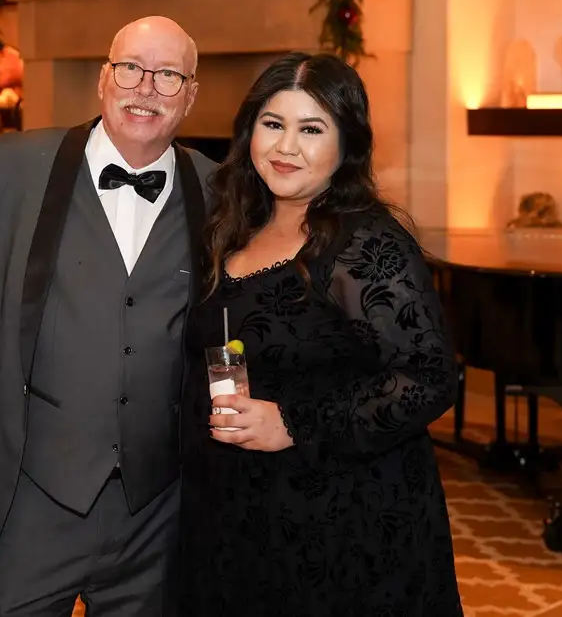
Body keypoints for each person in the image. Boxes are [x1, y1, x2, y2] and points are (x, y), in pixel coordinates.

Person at [179, 52, 463, 615]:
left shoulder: (367, 244)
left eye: (311, 129)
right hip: (238, 513)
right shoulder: (231, 224)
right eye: (273, 123)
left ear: (346, 143)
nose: (286, 147)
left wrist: (295, 423)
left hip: (343, 528)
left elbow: (430, 378)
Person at [0, 16, 215, 616]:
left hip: (157, 511)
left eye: (168, 75)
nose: (145, 88)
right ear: (103, 78)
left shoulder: (219, 189)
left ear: (190, 95)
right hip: (28, 498)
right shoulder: (10, 166)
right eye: (131, 68)